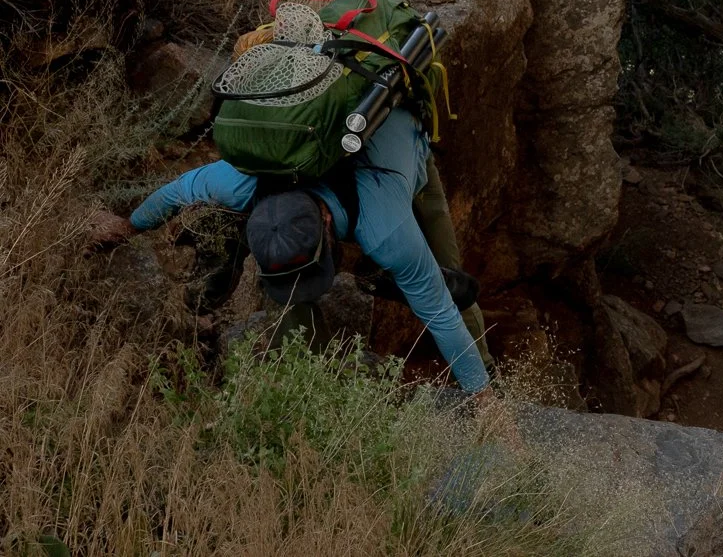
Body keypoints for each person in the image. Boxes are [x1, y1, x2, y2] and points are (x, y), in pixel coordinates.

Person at [88, 105, 492, 396]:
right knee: (231, 234)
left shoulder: (386, 228)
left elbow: (439, 313)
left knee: (449, 286)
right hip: (341, 191)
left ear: (328, 224)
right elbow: (175, 192)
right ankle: (310, 375)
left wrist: (487, 405)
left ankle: (487, 374)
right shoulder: (241, 182)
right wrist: (128, 227)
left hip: (406, 154)